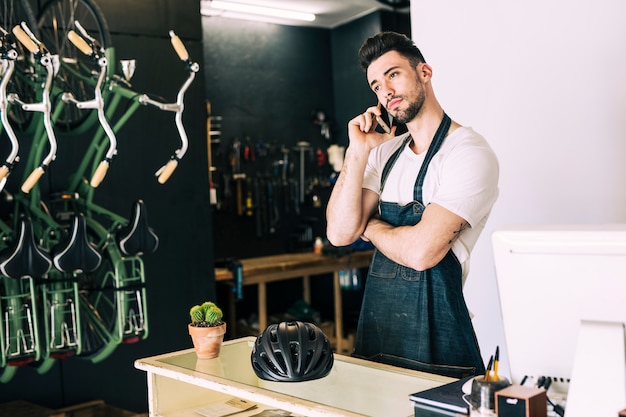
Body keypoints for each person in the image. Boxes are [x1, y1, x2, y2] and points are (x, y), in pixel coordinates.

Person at [326, 32, 499, 379]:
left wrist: (371, 225)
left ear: (425, 72)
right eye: (376, 85)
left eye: (393, 74)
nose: (385, 91)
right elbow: (340, 232)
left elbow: (422, 252)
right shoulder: (383, 153)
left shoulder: (467, 152)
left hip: (440, 349)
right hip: (379, 342)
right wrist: (357, 151)